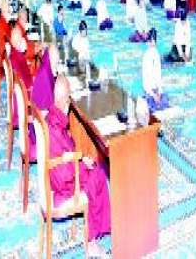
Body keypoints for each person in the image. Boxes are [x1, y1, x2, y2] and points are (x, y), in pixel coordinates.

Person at [47, 74, 111, 256]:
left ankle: (96, 230)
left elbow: (66, 148)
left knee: (93, 166)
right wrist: (81, 166)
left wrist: (81, 159)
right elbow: (64, 172)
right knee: (98, 175)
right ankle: (91, 240)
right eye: (69, 97)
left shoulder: (51, 116)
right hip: (63, 182)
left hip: (61, 169)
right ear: (65, 100)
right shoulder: (55, 127)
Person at [142, 29, 168, 112]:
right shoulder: (146, 56)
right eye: (151, 41)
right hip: (149, 90)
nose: (152, 43)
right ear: (148, 42)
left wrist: (159, 91)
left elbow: (159, 75)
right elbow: (145, 80)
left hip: (156, 89)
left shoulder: (156, 54)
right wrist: (153, 94)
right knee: (151, 107)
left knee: (164, 103)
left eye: (154, 41)